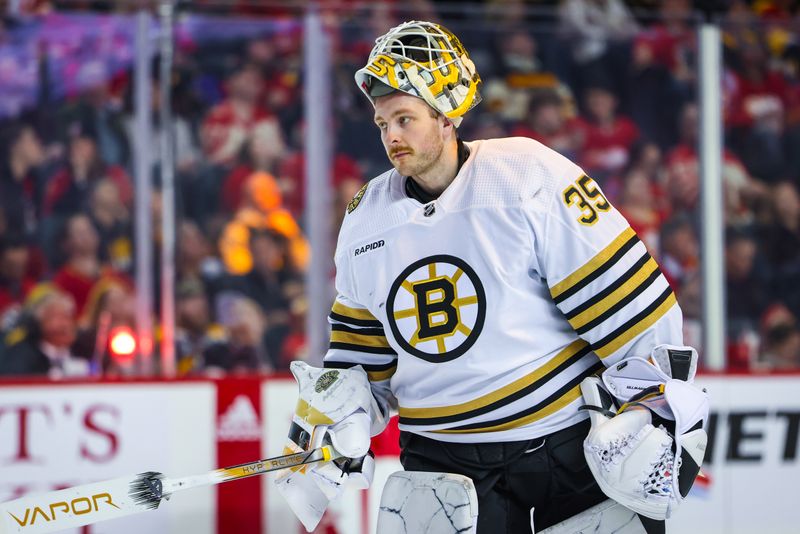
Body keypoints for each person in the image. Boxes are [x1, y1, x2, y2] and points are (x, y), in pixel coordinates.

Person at [277, 21, 708, 534]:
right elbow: (361, 359)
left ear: (445, 115)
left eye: (404, 117)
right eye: (381, 122)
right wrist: (334, 424)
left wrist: (651, 406)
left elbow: (631, 307)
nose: (391, 135)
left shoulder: (527, 175)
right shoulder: (366, 216)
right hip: (442, 463)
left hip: (564, 449)